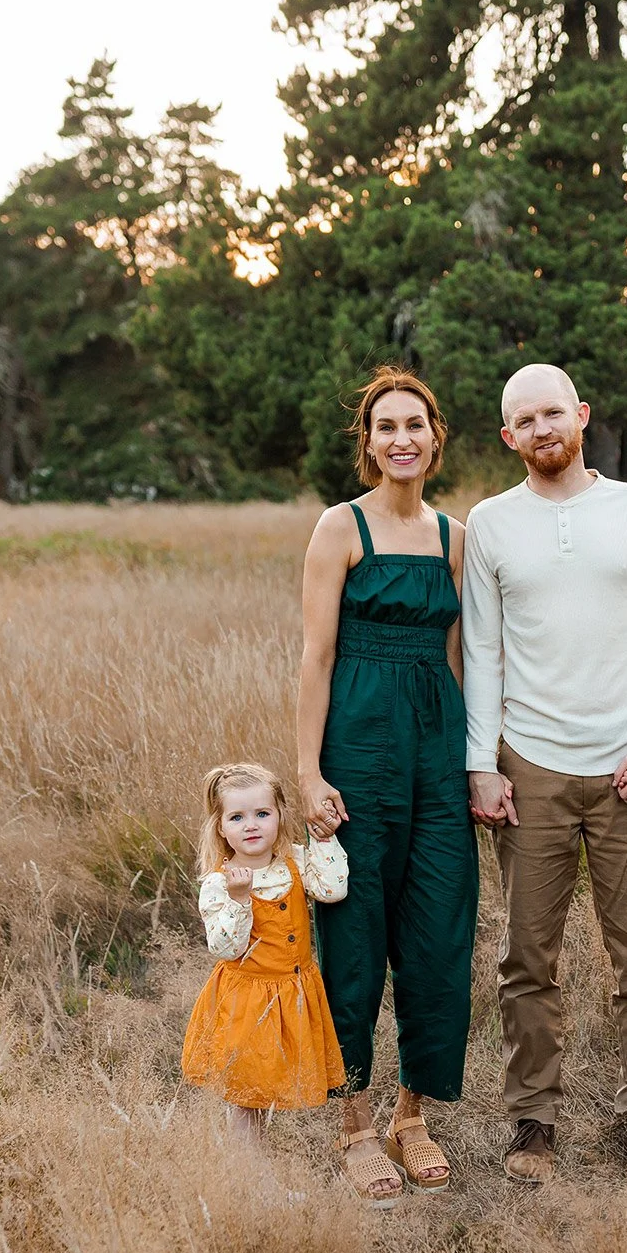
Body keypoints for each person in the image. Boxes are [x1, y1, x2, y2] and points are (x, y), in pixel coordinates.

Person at [462, 363, 627, 1184]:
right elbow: (481, 652)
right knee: (527, 958)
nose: (541, 428)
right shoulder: (488, 524)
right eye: (524, 420)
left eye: (553, 412)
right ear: (508, 437)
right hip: (532, 769)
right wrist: (480, 765)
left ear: (582, 416)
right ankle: (533, 1124)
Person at [297, 367, 476, 1204]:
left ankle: (413, 1115)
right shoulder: (341, 528)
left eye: (415, 424)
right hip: (359, 754)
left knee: (438, 936)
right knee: (356, 936)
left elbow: (460, 658)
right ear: (367, 443)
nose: (401, 439)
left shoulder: (454, 536)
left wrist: (477, 761)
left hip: (436, 755)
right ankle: (356, 1124)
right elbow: (316, 658)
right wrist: (309, 771)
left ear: (435, 437)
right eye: (385, 427)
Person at [180, 764, 352, 1158]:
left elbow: (333, 889)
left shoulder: (292, 860)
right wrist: (241, 899)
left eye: (262, 814)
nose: (251, 825)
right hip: (247, 1001)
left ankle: (256, 1175)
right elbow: (225, 948)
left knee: (266, 1091)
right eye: (237, 817)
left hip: (292, 994)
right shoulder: (219, 882)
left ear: (280, 815)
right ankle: (253, 1182)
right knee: (246, 1097)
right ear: (221, 828)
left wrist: (323, 840)